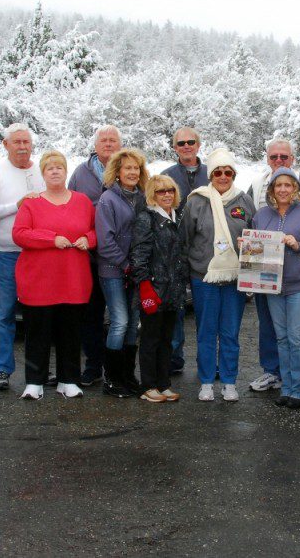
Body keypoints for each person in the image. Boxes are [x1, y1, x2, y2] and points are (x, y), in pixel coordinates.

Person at [12, 150, 95, 400]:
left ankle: (68, 380)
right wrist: (51, 239)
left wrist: (88, 239)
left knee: (70, 332)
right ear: (43, 174)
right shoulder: (31, 203)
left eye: (59, 167)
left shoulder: (83, 201)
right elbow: (19, 233)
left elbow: (95, 229)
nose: (55, 171)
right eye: (50, 168)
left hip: (73, 279)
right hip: (39, 281)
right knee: (38, 333)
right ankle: (34, 381)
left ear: (66, 171)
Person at [247, 137, 300, 393]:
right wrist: (247, 245)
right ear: (271, 189)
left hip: (299, 283)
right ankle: (285, 386)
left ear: (295, 188)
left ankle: (299, 389)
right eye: (278, 185)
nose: (282, 189)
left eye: (287, 185)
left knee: (297, 338)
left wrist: (299, 245)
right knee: (280, 337)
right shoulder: (262, 214)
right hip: (271, 284)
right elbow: (254, 246)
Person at [182, 147, 255, 402]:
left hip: (235, 277)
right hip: (204, 277)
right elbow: (185, 239)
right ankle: (205, 382)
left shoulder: (244, 201)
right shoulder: (196, 201)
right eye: (218, 172)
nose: (223, 177)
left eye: (228, 172)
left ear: (234, 174)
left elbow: (256, 238)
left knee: (230, 332)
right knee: (206, 331)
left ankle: (229, 381)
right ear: (210, 175)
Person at [0, 123, 42, 391]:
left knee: (39, 314)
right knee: (2, 313)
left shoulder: (42, 171)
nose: (23, 147)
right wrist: (16, 206)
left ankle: (38, 369)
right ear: (6, 145)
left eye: (26, 142)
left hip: (37, 254)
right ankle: (2, 368)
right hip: (6, 253)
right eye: (17, 142)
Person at [68, 125, 123, 387]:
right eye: (104, 140)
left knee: (121, 316)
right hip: (89, 255)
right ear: (95, 145)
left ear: (120, 145)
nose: (108, 144)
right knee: (91, 314)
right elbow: (69, 206)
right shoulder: (81, 173)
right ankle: (93, 366)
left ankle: (119, 370)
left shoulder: (129, 168)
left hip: (119, 256)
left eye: (113, 140)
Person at [96, 147, 150, 398]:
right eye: (127, 168)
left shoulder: (143, 197)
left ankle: (128, 375)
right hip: (113, 269)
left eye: (136, 168)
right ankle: (112, 378)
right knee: (119, 321)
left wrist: (138, 266)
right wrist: (127, 264)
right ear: (117, 172)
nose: (132, 172)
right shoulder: (108, 199)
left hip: (135, 270)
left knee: (132, 324)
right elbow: (105, 241)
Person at [130, 174, 188, 403]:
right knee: (150, 339)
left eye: (170, 190)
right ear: (152, 195)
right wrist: (145, 287)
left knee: (167, 340)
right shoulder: (147, 218)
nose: (167, 195)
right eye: (161, 191)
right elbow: (139, 255)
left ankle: (164, 384)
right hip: (153, 289)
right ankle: (148, 385)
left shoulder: (176, 216)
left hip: (173, 289)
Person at [160, 126, 209, 375]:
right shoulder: (166, 176)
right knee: (176, 308)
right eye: (181, 143)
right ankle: (174, 357)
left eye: (191, 142)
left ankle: (206, 360)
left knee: (205, 310)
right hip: (174, 252)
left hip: (205, 251)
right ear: (175, 148)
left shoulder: (213, 173)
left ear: (198, 145)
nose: (186, 146)